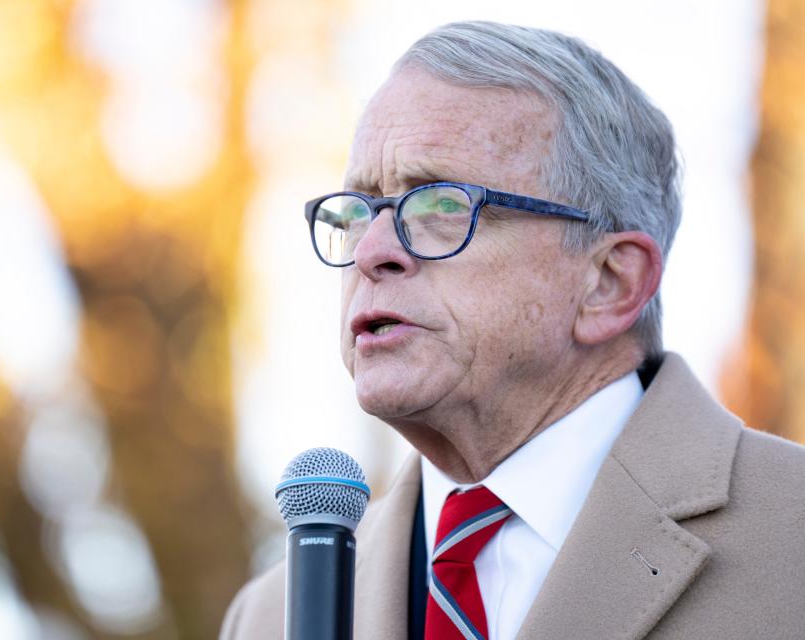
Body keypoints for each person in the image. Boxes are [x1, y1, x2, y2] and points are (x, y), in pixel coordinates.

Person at [221, 21, 805, 640]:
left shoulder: (789, 535)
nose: (371, 250)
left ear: (609, 281)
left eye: (442, 205)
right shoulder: (267, 615)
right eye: (359, 210)